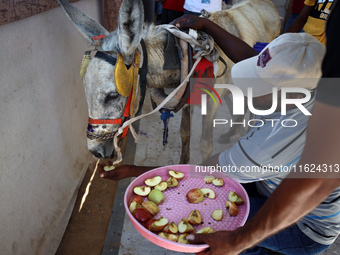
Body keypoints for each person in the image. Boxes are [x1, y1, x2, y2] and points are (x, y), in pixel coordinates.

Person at [99, 9, 340, 255]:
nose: (248, 89)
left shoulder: (265, 149)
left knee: (215, 231)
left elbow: (203, 175)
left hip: (306, 227)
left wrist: (134, 171)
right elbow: (251, 57)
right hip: (271, 185)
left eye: (260, 86)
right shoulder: (315, 83)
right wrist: (206, 25)